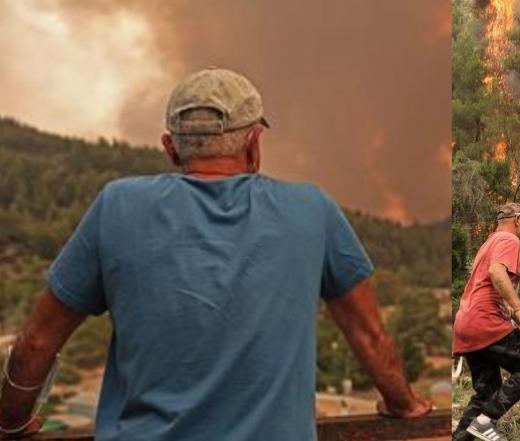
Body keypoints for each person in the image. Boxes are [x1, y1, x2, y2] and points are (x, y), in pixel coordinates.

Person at [0, 68, 430, 440]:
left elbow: (37, 341)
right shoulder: (311, 210)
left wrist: (11, 423)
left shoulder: (118, 206)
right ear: (254, 145)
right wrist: (403, 403)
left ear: (171, 148)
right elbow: (369, 334)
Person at [452, 203, 520, 441]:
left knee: (486, 393)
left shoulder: (489, 242)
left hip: (466, 323)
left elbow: (488, 284)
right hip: (485, 320)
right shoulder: (508, 239)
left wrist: (514, 316)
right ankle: (485, 421)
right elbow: (496, 273)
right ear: (516, 220)